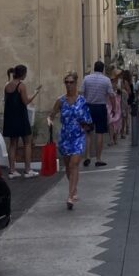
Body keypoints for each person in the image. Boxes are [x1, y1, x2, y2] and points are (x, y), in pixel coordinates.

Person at [48, 71, 92, 210]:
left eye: (71, 82)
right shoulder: (60, 101)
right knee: (68, 167)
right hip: (65, 136)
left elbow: (88, 120)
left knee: (74, 164)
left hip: (78, 136)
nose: (68, 85)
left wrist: (85, 127)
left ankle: (70, 196)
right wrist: (49, 121)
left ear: (76, 83)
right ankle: (74, 190)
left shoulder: (82, 101)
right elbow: (51, 115)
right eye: (66, 82)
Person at [2, 64, 42, 179]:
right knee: (27, 143)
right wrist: (35, 93)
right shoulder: (21, 85)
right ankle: (28, 170)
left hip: (10, 118)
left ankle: (12, 170)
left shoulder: (7, 85)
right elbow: (26, 101)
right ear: (23, 74)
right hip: (20, 117)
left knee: (12, 144)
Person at [80, 61, 116, 167]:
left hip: (88, 107)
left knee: (88, 133)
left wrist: (82, 107)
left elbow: (81, 93)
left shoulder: (86, 79)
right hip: (100, 107)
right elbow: (111, 95)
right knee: (99, 133)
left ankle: (87, 156)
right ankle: (98, 158)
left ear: (94, 68)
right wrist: (113, 108)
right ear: (103, 69)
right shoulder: (106, 80)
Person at [107, 75, 122, 146]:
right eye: (111, 81)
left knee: (117, 124)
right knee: (111, 123)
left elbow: (120, 99)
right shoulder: (108, 89)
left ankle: (115, 138)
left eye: (114, 81)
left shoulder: (118, 90)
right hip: (110, 108)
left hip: (117, 108)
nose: (113, 83)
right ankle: (111, 139)